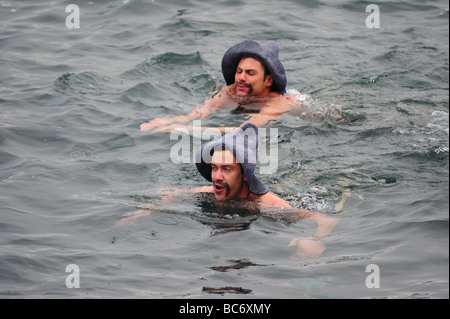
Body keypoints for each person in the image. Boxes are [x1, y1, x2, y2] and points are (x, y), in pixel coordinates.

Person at [125, 123, 339, 259]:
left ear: (245, 174)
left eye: (227, 169)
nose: (217, 176)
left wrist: (313, 240)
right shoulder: (209, 190)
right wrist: (141, 213)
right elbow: (172, 194)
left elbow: (326, 219)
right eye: (214, 167)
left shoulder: (269, 204)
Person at [140, 40, 301, 133]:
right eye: (239, 71)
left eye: (250, 73)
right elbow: (201, 112)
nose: (240, 78)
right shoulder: (230, 92)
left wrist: (185, 129)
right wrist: (168, 120)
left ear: (269, 81)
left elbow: (244, 130)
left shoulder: (279, 103)